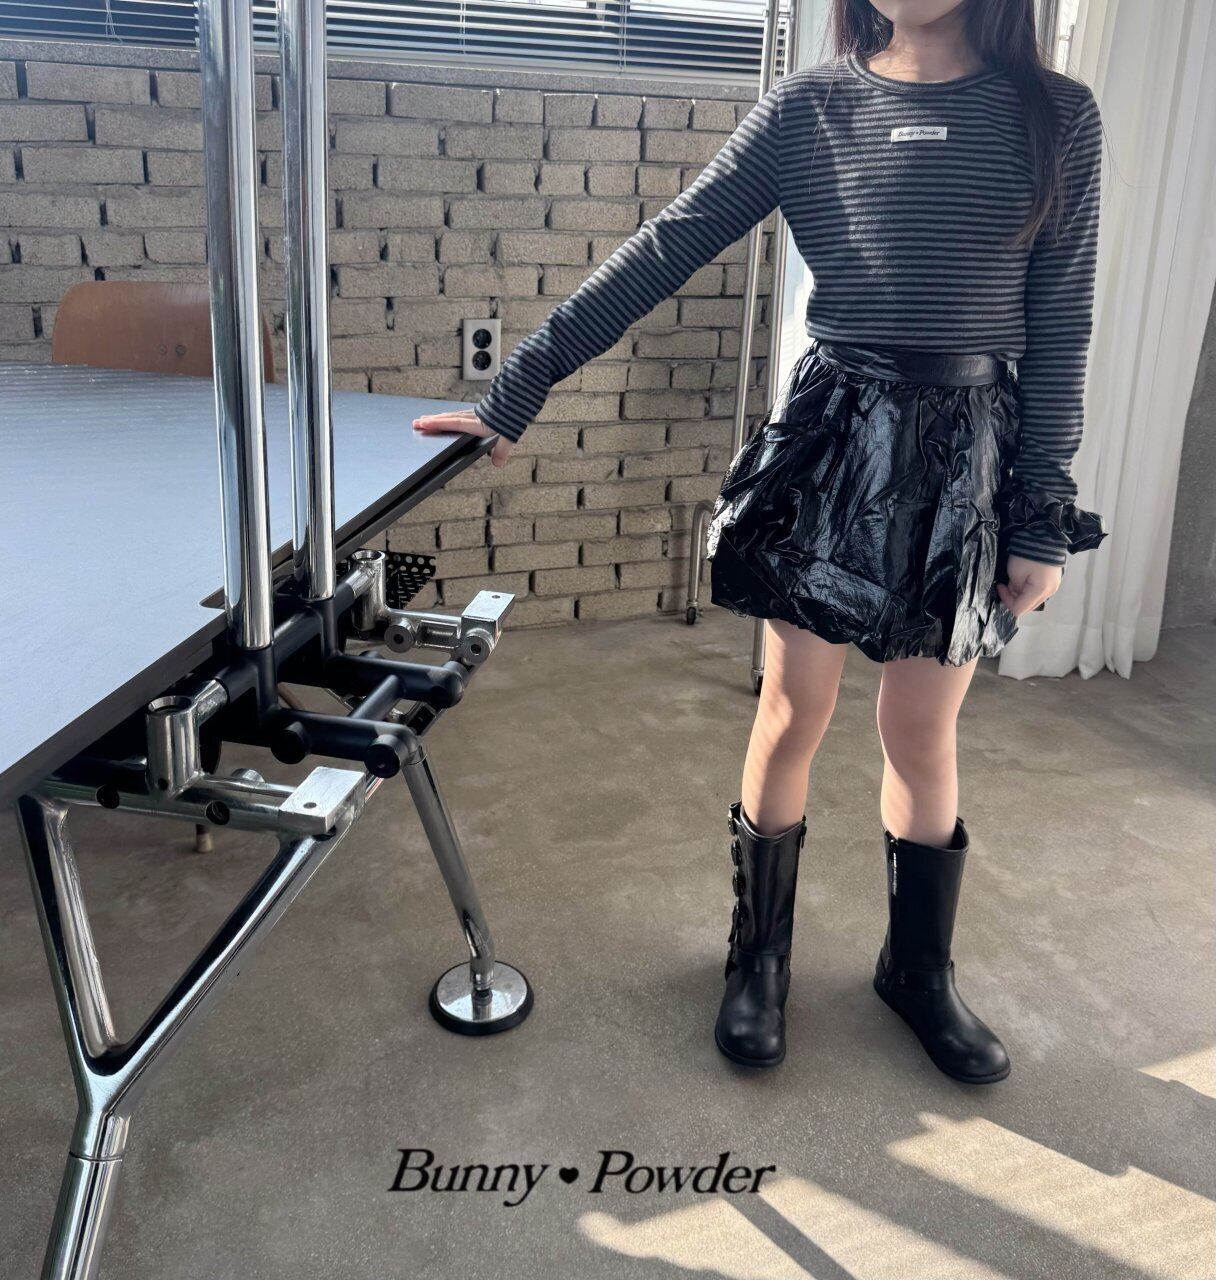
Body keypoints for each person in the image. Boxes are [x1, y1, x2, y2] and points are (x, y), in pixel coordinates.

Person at [412, 0, 1108, 1083]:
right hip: (829, 441)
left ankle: (917, 972)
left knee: (921, 731)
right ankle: (758, 962)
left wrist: (1040, 516)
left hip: (967, 457)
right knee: (793, 708)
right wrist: (521, 385)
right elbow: (667, 245)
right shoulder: (808, 107)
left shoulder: (1056, 114)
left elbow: (1061, 323)